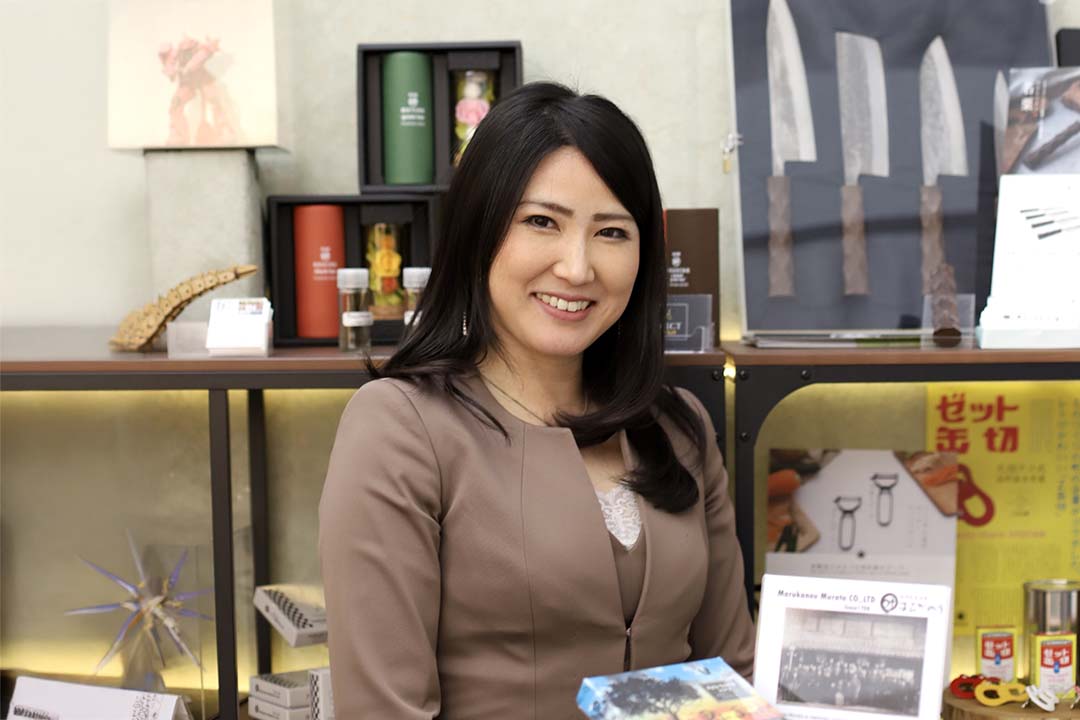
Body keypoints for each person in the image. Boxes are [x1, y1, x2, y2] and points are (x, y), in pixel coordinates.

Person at [318, 81, 755, 719]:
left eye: (611, 232)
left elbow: (734, 680)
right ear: (479, 229)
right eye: (541, 222)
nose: (577, 268)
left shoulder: (680, 427)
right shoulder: (399, 428)